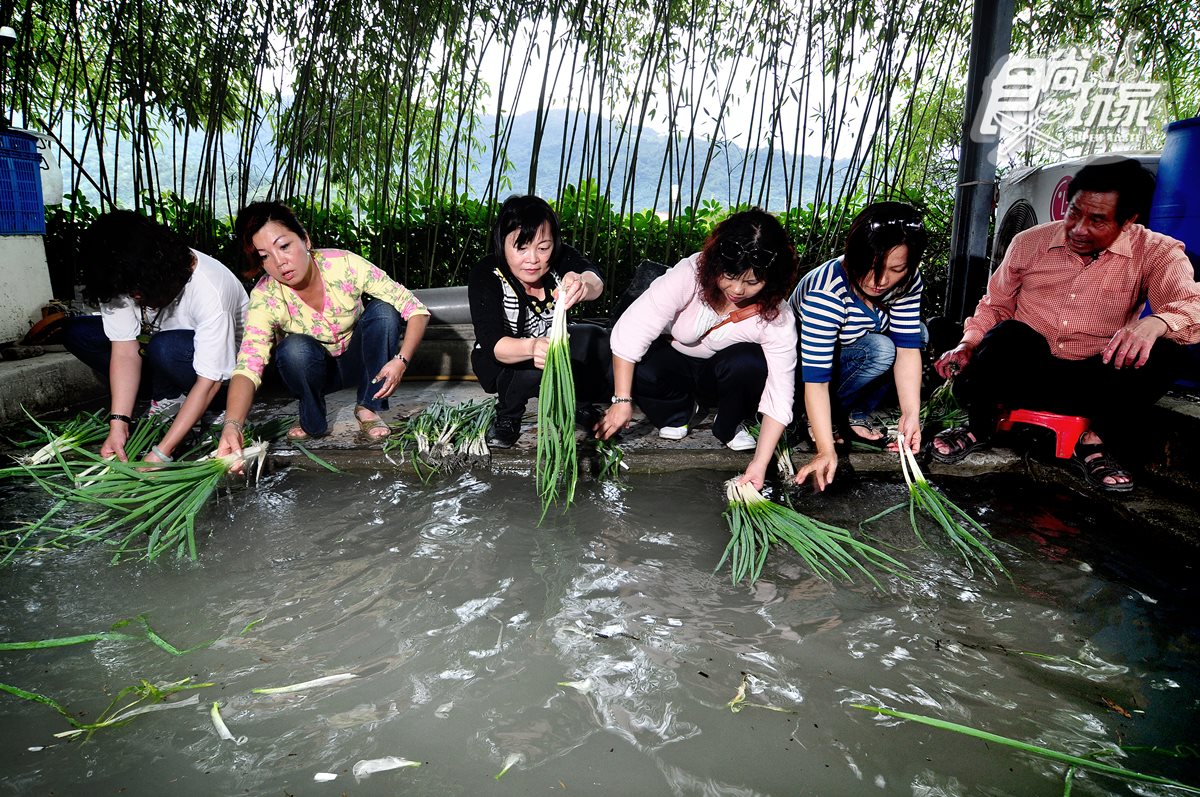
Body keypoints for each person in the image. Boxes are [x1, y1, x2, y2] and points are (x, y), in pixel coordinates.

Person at [932, 158, 1200, 491]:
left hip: (1097, 384)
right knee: (1009, 335)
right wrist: (967, 344)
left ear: (1128, 220)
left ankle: (1093, 441)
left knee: (1167, 351)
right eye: (1074, 213)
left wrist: (1156, 323)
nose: (1078, 229)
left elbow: (1191, 305)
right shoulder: (1029, 242)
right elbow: (995, 305)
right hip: (1025, 375)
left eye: (1097, 220)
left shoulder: (1157, 251)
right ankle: (980, 425)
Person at [597, 208, 798, 490]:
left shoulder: (777, 316)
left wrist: (759, 463)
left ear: (772, 279)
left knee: (750, 363)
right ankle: (679, 411)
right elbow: (632, 331)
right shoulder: (690, 274)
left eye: (752, 282)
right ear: (716, 263)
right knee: (630, 365)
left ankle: (727, 424)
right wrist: (621, 402)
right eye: (729, 275)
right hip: (673, 363)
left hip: (720, 376)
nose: (737, 290)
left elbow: (780, 393)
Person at [216, 202, 429, 454]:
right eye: (265, 256)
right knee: (293, 349)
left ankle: (368, 407)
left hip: (359, 363)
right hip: (314, 370)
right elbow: (249, 363)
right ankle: (311, 419)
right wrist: (232, 425)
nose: (279, 263)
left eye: (284, 246)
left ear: (305, 240)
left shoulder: (344, 265)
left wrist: (401, 360)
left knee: (384, 311)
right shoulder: (266, 295)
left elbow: (416, 309)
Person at [63, 210, 249, 464]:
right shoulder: (122, 274)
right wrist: (118, 425)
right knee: (79, 332)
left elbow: (209, 381)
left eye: (136, 290)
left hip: (219, 373)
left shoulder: (210, 288)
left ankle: (215, 409)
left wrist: (161, 452)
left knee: (165, 347)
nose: (133, 296)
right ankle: (167, 396)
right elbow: (125, 351)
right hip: (159, 355)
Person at [790, 201, 927, 491]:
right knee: (879, 350)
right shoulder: (825, 294)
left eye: (896, 269)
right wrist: (826, 450)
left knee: (919, 335)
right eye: (872, 267)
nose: (881, 281)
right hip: (804, 371)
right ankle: (814, 418)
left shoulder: (906, 282)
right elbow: (815, 379)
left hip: (854, 350)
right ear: (853, 254)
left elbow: (907, 348)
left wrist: (911, 414)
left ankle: (854, 412)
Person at [467, 194, 611, 448]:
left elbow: (595, 280)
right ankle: (508, 415)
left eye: (543, 248)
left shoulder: (560, 259)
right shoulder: (487, 274)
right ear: (502, 243)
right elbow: (493, 343)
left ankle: (576, 404)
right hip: (502, 359)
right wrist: (532, 347)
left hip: (550, 348)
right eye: (521, 248)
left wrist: (582, 285)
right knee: (533, 364)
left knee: (595, 338)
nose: (533, 259)